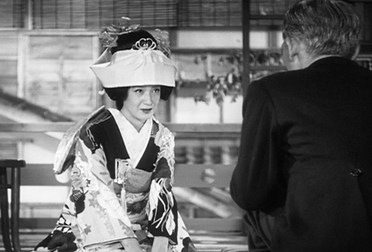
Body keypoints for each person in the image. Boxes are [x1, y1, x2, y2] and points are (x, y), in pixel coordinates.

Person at [34, 24, 198, 252]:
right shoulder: (94, 132)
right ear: (122, 92)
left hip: (148, 225)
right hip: (95, 224)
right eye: (139, 91)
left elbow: (162, 188)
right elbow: (95, 192)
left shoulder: (163, 136)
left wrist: (160, 242)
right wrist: (129, 244)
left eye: (155, 90)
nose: (149, 101)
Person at [230, 0, 372, 251]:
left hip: (313, 239)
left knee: (254, 214)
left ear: (292, 46)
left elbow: (249, 192)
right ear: (355, 49)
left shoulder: (270, 91)